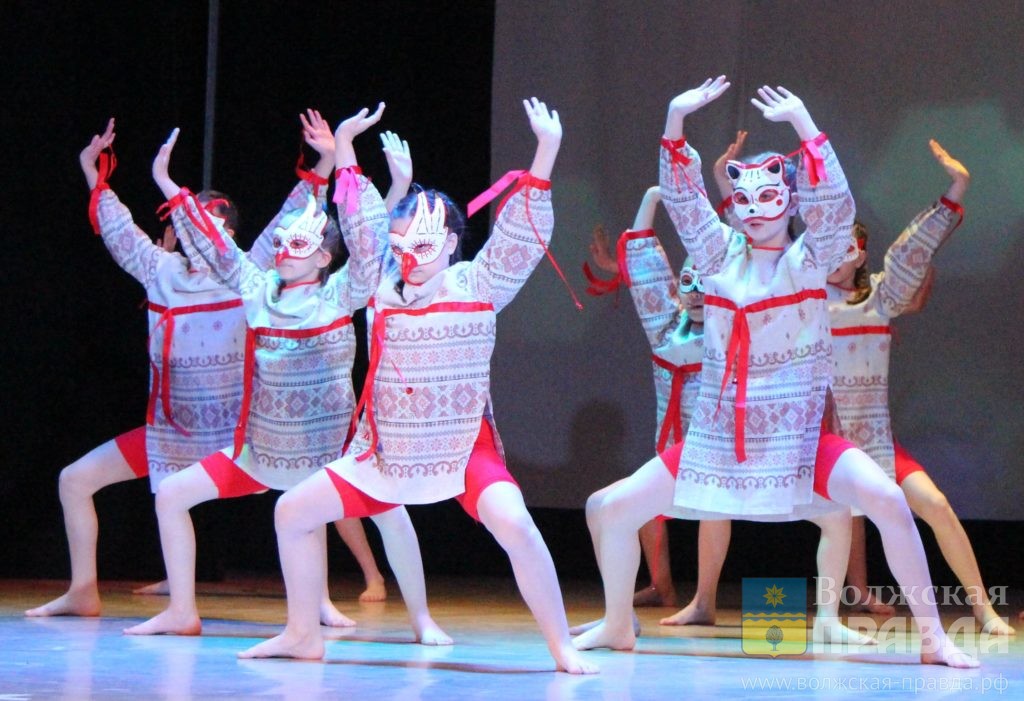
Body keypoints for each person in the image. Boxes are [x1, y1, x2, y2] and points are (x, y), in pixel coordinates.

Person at [573, 77, 977, 668]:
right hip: (720, 442)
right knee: (607, 508)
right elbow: (685, 204)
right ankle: (617, 624)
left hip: (798, 441)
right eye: (745, 200)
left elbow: (835, 214)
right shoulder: (718, 255)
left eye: (769, 197)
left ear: (790, 202)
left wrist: (807, 126)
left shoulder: (809, 260)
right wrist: (674, 122)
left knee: (889, 501)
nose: (755, 209)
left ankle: (933, 638)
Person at [237, 98, 597, 674]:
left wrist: (545, 153)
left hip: (461, 446)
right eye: (401, 248)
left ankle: (562, 645)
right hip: (386, 449)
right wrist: (346, 149)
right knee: (293, 512)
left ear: (451, 242)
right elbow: (362, 228)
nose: (409, 260)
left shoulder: (477, 284)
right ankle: (303, 633)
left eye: (423, 248)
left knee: (515, 524)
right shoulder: (381, 286)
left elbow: (518, 239)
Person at [122, 107, 441, 640]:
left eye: (299, 245)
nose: (284, 251)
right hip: (263, 453)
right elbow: (217, 248)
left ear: (322, 258)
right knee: (173, 494)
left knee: (391, 513)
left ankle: (422, 618)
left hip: (330, 454)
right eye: (282, 243)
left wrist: (348, 157)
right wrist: (170, 188)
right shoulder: (257, 289)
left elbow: (367, 246)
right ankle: (182, 610)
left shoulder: (339, 294)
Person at [25, 115, 295, 617]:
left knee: (306, 491)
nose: (196, 238)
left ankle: (316, 602)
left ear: (229, 235)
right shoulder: (161, 271)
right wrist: (93, 173)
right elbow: (120, 231)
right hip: (170, 434)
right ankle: (83, 590)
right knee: (74, 479)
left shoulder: (248, 272)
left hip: (234, 438)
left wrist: (323, 168)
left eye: (209, 229)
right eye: (188, 227)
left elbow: (290, 217)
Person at [825, 145, 1013, 635]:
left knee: (936, 506)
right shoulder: (803, 304)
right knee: (833, 520)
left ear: (859, 253)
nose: (833, 256)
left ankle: (983, 609)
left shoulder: (878, 297)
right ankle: (831, 610)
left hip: (875, 443)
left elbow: (912, 252)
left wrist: (956, 190)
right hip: (823, 445)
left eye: (844, 247)